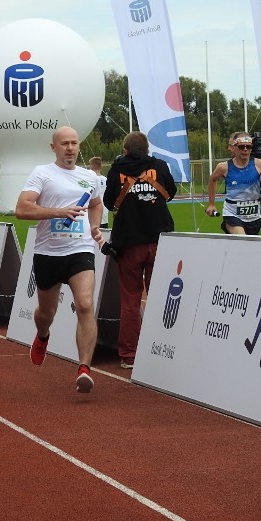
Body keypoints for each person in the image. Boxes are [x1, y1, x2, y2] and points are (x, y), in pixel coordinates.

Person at [15, 126, 104, 393]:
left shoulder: (89, 176)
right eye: (64, 143)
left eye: (74, 143)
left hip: (80, 249)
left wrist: (95, 227)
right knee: (46, 313)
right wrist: (58, 212)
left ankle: (84, 368)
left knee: (85, 304)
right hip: (48, 252)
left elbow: (96, 203)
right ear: (53, 147)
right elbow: (21, 208)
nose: (70, 148)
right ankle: (43, 336)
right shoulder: (42, 173)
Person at [103, 132, 176, 369]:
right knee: (159, 297)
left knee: (131, 300)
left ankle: (129, 354)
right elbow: (171, 192)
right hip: (159, 240)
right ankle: (160, 348)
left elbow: (108, 201)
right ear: (146, 149)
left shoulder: (116, 169)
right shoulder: (160, 166)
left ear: (125, 150)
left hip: (129, 243)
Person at [206, 132, 261, 234]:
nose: (245, 150)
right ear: (234, 147)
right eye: (241, 147)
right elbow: (212, 179)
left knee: (249, 246)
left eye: (248, 147)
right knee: (242, 239)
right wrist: (211, 204)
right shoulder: (224, 167)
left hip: (254, 216)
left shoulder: (259, 165)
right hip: (232, 214)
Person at [88, 157, 110, 229]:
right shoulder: (106, 179)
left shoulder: (90, 180)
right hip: (104, 212)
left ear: (91, 166)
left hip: (93, 212)